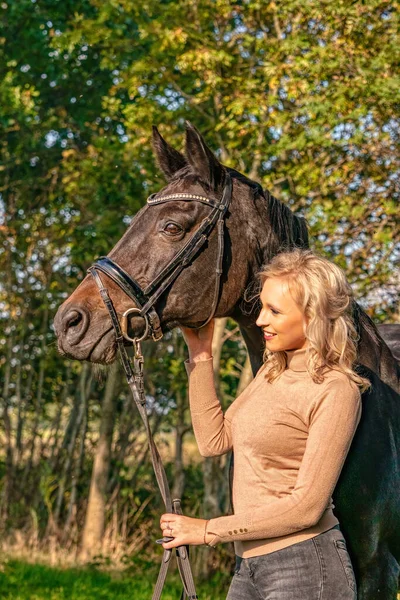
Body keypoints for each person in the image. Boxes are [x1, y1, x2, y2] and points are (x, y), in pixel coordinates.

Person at [159, 248, 371, 599]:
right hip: (249, 565)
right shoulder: (272, 373)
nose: (260, 321)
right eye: (262, 307)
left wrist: (209, 530)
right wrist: (200, 357)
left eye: (274, 311)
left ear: (312, 317)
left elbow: (307, 506)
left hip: (306, 565)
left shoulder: (336, 389)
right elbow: (214, 441)